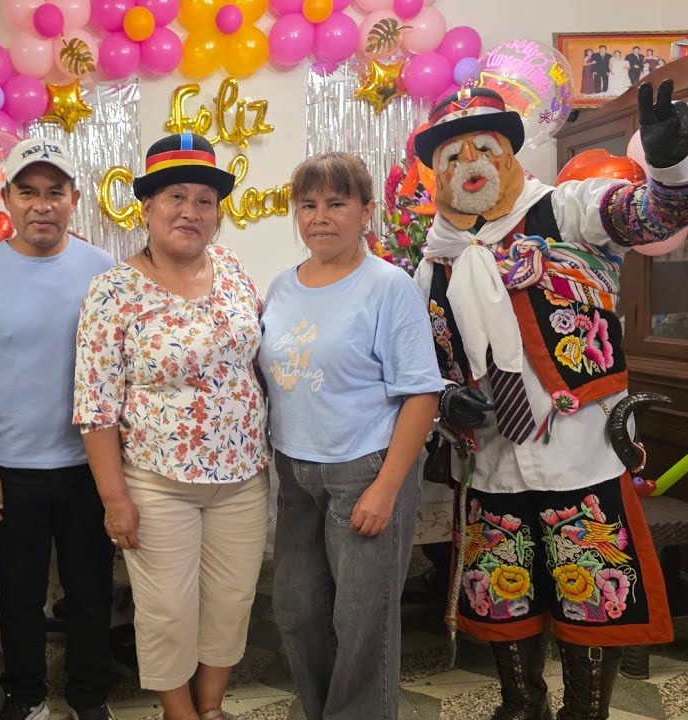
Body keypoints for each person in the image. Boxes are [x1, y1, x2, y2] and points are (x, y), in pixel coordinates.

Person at [413, 83, 688, 719]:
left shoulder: (569, 209)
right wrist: (446, 402)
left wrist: (671, 163)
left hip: (582, 451)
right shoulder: (431, 262)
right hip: (490, 457)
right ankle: (521, 703)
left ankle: (584, 710)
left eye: (483, 147)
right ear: (436, 173)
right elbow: (426, 362)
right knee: (504, 590)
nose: (469, 163)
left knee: (592, 591)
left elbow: (654, 213)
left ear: (510, 153)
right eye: (451, 155)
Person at [73, 133, 269, 720]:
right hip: (158, 484)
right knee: (167, 612)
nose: (190, 211)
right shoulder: (113, 292)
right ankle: (179, 714)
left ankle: (210, 707)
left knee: (231, 602)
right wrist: (115, 499)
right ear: (148, 207)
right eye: (174, 196)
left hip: (241, 479)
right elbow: (96, 405)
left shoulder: (232, 269)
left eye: (204, 200)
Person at [261, 153, 443, 720]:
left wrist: (387, 487)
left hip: (365, 468)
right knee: (297, 611)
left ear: (366, 211)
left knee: (362, 621)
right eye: (308, 205)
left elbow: (422, 393)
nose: (320, 217)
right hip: (294, 472)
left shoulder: (389, 287)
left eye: (336, 203)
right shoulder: (282, 286)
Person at [0, 139, 117, 720]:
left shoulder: (103, 271)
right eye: (28, 192)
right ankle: (25, 696)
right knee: (19, 597)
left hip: (89, 468)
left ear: (73, 199)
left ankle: (90, 696)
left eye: (54, 193)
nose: (41, 205)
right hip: (12, 469)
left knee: (91, 593)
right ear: (7, 199)